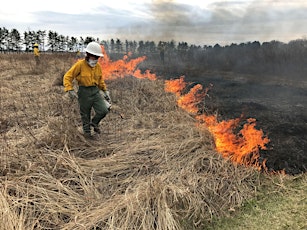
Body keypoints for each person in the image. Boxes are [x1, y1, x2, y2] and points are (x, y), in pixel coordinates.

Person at [63, 41, 111, 139]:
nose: (96, 59)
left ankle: (94, 123)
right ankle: (87, 136)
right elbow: (67, 76)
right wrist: (69, 89)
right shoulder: (80, 65)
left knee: (104, 110)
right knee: (85, 115)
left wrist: (105, 91)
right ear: (88, 55)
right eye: (94, 56)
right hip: (84, 92)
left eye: (97, 57)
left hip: (95, 92)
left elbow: (100, 80)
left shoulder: (98, 67)